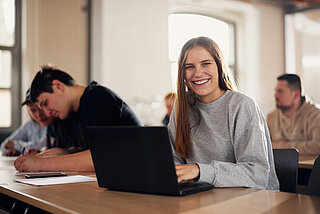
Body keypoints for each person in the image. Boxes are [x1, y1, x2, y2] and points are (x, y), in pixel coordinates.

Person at [167, 37, 279, 190]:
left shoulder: (241, 105)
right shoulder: (182, 106)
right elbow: (173, 158)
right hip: (202, 198)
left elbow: (257, 175)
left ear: (219, 66)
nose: (198, 73)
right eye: (189, 67)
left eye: (206, 64)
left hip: (251, 200)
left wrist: (200, 170)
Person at [14, 65, 142, 172]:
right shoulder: (71, 112)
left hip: (138, 179)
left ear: (58, 86)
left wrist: (40, 165)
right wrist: (44, 156)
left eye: (45, 103)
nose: (47, 113)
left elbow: (100, 158)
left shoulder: (97, 98)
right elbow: (82, 151)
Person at [267, 74, 320, 155]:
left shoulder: (316, 115)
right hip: (278, 167)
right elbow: (264, 146)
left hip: (306, 167)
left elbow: (318, 146)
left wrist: (286, 146)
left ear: (296, 94)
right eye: (275, 91)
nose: (275, 95)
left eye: (280, 91)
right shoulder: (271, 117)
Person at [1, 89, 54, 156]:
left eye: (41, 109)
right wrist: (14, 151)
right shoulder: (29, 124)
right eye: (33, 111)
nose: (39, 115)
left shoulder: (51, 123)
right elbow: (4, 146)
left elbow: (41, 146)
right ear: (28, 111)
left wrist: (15, 145)